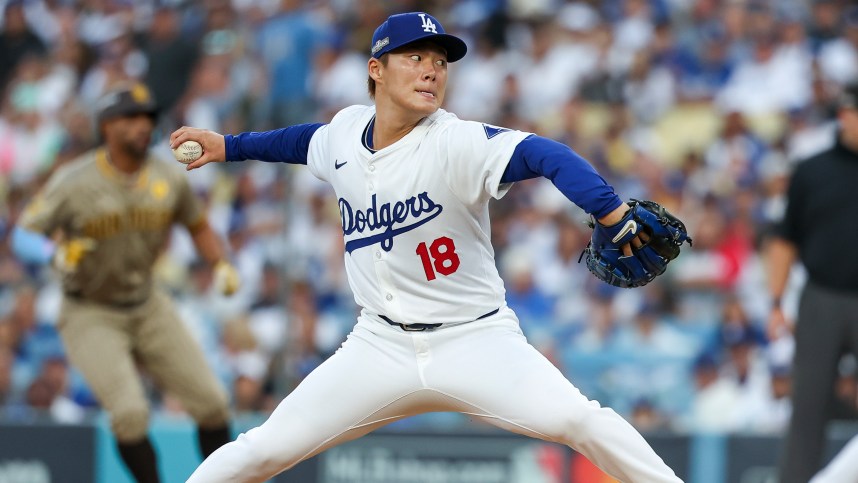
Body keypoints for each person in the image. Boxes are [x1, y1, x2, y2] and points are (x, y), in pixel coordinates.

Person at [172, 12, 682, 483]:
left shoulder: (454, 142)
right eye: (415, 57)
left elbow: (547, 155)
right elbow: (299, 142)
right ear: (377, 69)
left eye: (440, 62)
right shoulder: (345, 133)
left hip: (475, 340)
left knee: (581, 420)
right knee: (262, 450)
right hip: (378, 347)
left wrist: (610, 211)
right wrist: (228, 146)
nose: (431, 71)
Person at [11, 82, 240, 483]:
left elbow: (197, 224)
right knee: (130, 414)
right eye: (131, 118)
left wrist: (219, 263)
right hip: (90, 309)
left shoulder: (168, 178)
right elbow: (23, 235)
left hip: (147, 302)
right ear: (107, 127)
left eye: (147, 118)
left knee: (213, 404)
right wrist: (53, 253)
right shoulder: (76, 180)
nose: (142, 125)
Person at [766, 82, 858, 483]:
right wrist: (775, 302)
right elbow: (785, 241)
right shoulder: (812, 170)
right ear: (845, 115)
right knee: (807, 407)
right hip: (821, 296)